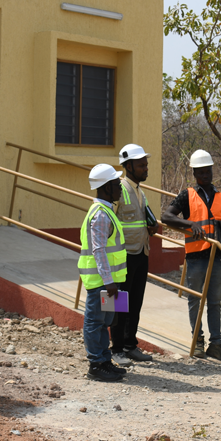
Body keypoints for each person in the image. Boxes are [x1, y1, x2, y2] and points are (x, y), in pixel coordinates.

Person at [162, 149, 221, 361]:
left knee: (214, 301)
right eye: (201, 172)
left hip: (216, 257)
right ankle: (197, 341)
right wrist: (189, 224)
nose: (205, 175)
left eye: (208, 171)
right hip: (196, 257)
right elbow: (167, 216)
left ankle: (216, 344)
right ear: (194, 173)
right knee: (195, 300)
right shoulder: (187, 195)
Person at [80, 164, 129, 383]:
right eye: (117, 184)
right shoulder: (100, 214)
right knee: (95, 322)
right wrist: (108, 281)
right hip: (102, 282)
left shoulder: (106, 210)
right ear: (107, 187)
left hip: (110, 281)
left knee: (106, 322)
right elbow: (98, 250)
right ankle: (96, 364)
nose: (120, 188)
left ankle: (104, 360)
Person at [109, 144, 158, 365]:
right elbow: (109, 221)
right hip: (123, 256)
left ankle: (130, 345)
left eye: (146, 164)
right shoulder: (118, 189)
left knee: (135, 303)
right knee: (120, 304)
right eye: (141, 165)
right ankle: (117, 349)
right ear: (128, 166)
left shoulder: (140, 192)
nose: (146, 168)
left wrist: (151, 226)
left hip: (141, 253)